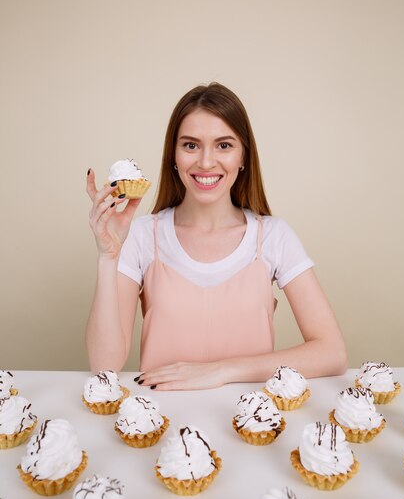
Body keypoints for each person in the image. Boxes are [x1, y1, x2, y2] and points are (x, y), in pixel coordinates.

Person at [86, 82, 347, 390]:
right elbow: (105, 365)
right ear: (174, 156)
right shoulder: (142, 235)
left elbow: (332, 353)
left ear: (243, 157)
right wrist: (109, 256)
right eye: (191, 145)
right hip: (160, 422)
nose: (206, 162)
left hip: (252, 428)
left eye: (224, 145)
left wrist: (222, 370)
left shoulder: (274, 236)